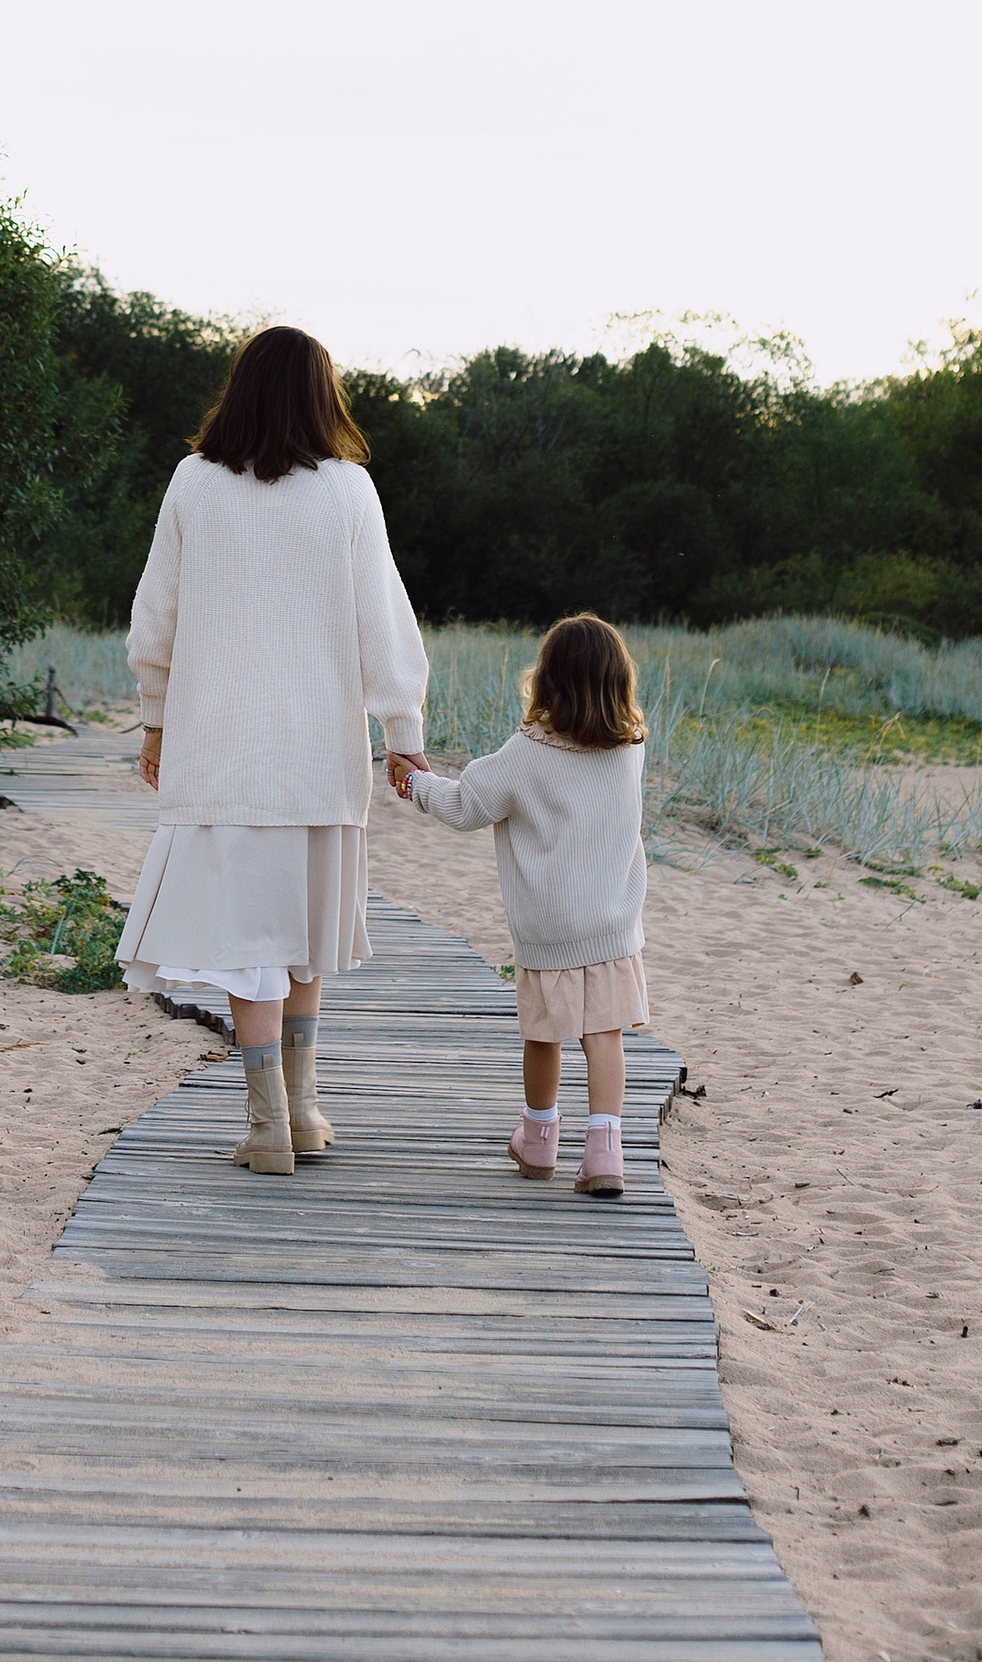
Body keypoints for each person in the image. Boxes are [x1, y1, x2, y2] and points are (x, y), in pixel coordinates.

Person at [117, 324, 429, 1176]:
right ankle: (304, 1109)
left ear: (242, 389)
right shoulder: (348, 491)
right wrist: (403, 737)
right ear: (320, 396)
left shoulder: (193, 482)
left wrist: (156, 717)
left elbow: (158, 615)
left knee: (252, 941)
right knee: (300, 935)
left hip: (221, 756)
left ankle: (266, 1124)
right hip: (318, 759)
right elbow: (385, 623)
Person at [389, 609, 648, 1196]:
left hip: (548, 927)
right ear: (618, 682)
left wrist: (412, 783)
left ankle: (538, 1139)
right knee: (605, 1033)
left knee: (544, 1032)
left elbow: (466, 806)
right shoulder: (629, 749)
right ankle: (605, 1150)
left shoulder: (529, 751)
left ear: (547, 681)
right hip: (610, 921)